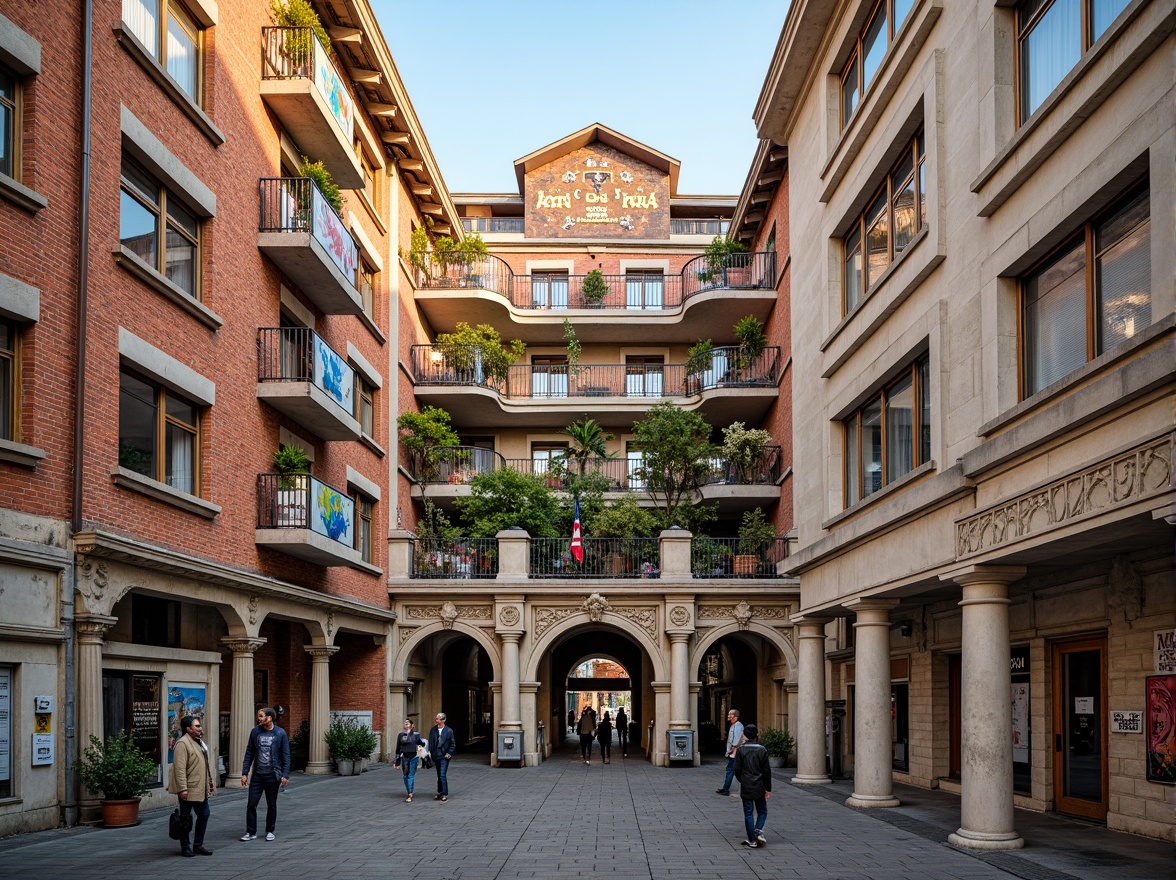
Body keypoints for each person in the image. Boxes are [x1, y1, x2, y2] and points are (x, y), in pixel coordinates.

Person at [166, 714, 215, 857]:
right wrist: (183, 789)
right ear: (188, 728)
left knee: (204, 814)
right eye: (197, 726)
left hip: (200, 787)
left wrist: (210, 783)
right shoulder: (182, 744)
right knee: (185, 819)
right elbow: (179, 769)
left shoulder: (198, 741)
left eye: (199, 726)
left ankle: (198, 844)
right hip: (188, 788)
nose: (200, 728)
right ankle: (185, 846)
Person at [240, 707, 290, 841]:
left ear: (269, 718)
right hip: (257, 775)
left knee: (271, 804)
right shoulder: (255, 732)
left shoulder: (280, 733)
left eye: (261, 716)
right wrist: (245, 773)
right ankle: (251, 832)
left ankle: (270, 830)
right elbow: (249, 753)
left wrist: (285, 775)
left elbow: (286, 756)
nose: (259, 719)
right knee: (251, 804)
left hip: (273, 775)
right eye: (259, 716)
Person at [733, 724, 771, 848]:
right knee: (762, 811)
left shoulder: (741, 750)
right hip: (759, 784)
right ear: (757, 735)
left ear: (744, 735)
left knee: (748, 813)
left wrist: (742, 780)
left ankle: (752, 839)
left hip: (746, 785)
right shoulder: (762, 749)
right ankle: (758, 830)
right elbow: (766, 771)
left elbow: (737, 769)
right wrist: (768, 788)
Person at [394, 719, 425, 802]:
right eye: (405, 723)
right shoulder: (401, 735)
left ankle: (410, 793)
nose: (406, 724)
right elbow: (398, 748)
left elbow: (421, 742)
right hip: (404, 757)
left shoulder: (415, 734)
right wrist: (397, 761)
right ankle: (409, 790)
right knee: (405, 775)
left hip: (413, 757)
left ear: (411, 725)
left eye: (408, 723)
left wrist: (422, 745)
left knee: (410, 775)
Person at [428, 712, 456, 801]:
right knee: (439, 774)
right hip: (436, 755)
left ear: (443, 720)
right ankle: (439, 792)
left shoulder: (448, 731)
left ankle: (444, 793)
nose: (436, 720)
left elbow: (453, 744)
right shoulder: (433, 730)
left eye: (438, 718)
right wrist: (430, 752)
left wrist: (449, 753)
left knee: (442, 775)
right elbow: (431, 742)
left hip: (444, 756)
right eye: (436, 718)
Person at [716, 708, 745, 795]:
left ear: (735, 716)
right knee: (731, 770)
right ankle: (725, 788)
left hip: (735, 752)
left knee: (731, 770)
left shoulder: (738, 726)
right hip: (734, 752)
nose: (728, 716)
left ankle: (726, 789)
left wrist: (732, 749)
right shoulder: (734, 725)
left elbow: (736, 739)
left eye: (730, 714)